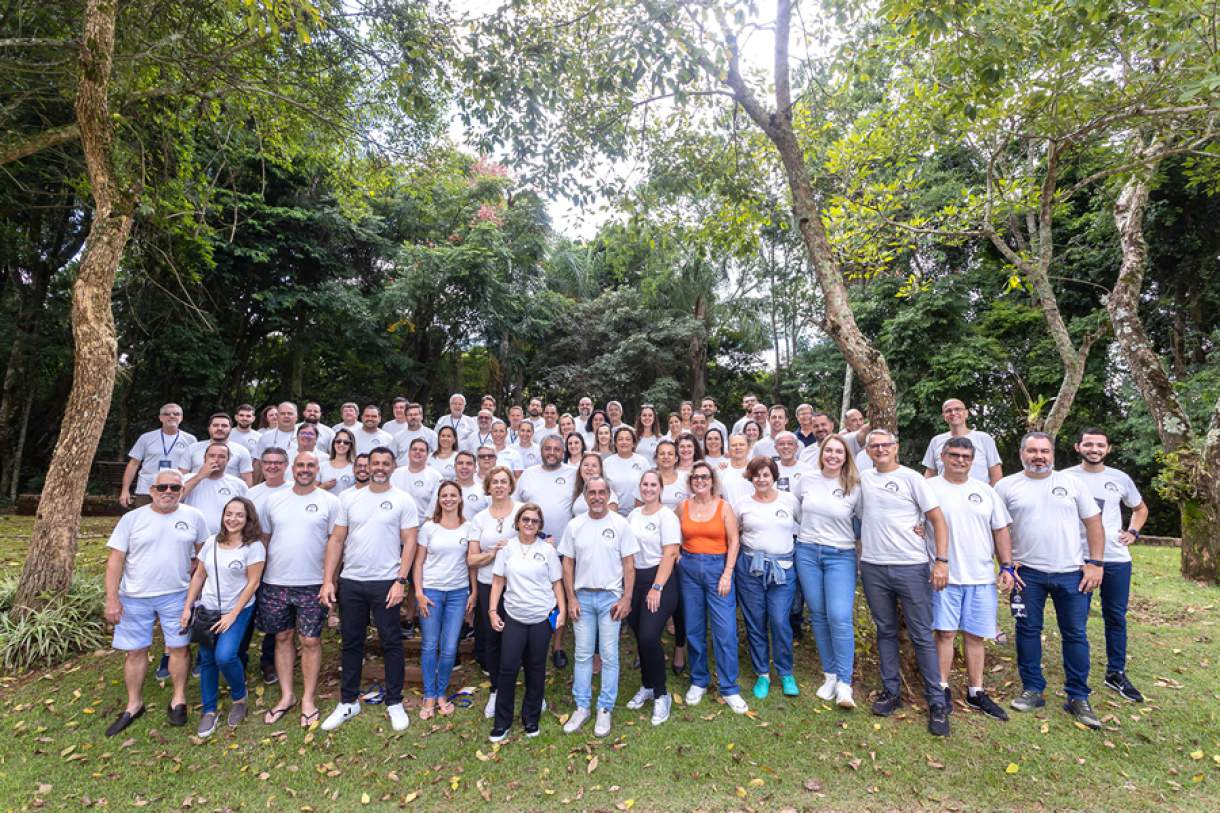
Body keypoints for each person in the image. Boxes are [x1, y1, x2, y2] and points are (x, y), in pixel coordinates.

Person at [996, 431, 1105, 728]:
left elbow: (1094, 523)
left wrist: (1095, 563)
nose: (1038, 456)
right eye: (1032, 451)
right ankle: (1033, 689)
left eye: (1044, 451)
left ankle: (1078, 696)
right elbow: (998, 528)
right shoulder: (1006, 486)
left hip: (1071, 573)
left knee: (1075, 634)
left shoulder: (1072, 484)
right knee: (1027, 630)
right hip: (1026, 574)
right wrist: (1006, 565)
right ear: (1021, 453)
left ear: (1052, 454)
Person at [857, 428, 953, 737]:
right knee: (885, 630)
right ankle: (891, 691)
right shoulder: (863, 479)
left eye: (885, 445)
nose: (880, 449)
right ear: (868, 451)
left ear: (896, 447)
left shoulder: (912, 478)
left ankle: (936, 701)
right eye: (874, 446)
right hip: (873, 565)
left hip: (911, 565)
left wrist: (941, 561)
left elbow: (937, 519)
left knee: (921, 633)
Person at [318, 447, 419, 732]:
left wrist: (401, 581)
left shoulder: (402, 500)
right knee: (351, 642)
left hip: (386, 582)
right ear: (366, 466)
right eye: (375, 463)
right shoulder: (348, 499)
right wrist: (328, 580)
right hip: (352, 581)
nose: (380, 467)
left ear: (393, 467)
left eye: (386, 463)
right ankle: (348, 701)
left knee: (391, 642)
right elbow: (337, 540)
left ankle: (394, 701)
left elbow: (410, 542)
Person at [103, 469, 209, 737]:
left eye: (175, 487)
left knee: (179, 648)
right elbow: (115, 560)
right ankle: (134, 704)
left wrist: (197, 585)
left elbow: (204, 556)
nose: (168, 492)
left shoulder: (194, 517)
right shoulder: (132, 519)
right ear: (152, 490)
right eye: (162, 487)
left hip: (177, 595)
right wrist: (112, 598)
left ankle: (178, 699)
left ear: (182, 490)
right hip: (134, 596)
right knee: (135, 651)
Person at [927, 437, 1015, 721]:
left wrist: (1007, 566)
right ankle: (941, 689)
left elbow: (1000, 530)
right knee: (945, 633)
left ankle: (976, 691)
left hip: (980, 576)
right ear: (943, 456)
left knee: (976, 635)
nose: (960, 460)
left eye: (966, 456)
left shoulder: (985, 491)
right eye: (954, 455)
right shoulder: (929, 488)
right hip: (944, 576)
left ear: (972, 460)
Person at [257, 451, 340, 728]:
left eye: (310, 465)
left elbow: (335, 544)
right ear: (292, 469)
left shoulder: (330, 502)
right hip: (276, 581)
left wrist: (329, 580)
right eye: (300, 465)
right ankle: (287, 695)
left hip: (313, 582)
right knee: (282, 637)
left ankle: (308, 699)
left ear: (318, 469)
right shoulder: (274, 500)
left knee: (310, 641)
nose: (305, 469)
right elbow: (265, 539)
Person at [1067, 427, 1149, 703]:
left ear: (1108, 449)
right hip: (1078, 560)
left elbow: (1140, 508)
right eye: (1088, 444)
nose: (1094, 449)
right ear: (1078, 447)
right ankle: (1077, 677)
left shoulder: (1120, 478)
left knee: (1115, 617)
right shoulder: (1065, 478)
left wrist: (1133, 532)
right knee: (1076, 620)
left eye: (1100, 445)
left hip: (1116, 559)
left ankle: (1116, 673)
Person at [559, 476, 639, 737]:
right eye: (591, 493)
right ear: (585, 496)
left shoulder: (620, 524)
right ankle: (582, 707)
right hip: (582, 598)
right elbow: (567, 564)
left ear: (608, 495)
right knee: (582, 654)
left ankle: (605, 708)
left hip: (610, 600)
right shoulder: (575, 525)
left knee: (609, 655)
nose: (596, 497)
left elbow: (629, 564)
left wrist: (626, 598)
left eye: (601, 492)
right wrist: (571, 598)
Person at [180, 496, 265, 737]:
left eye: (239, 515)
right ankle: (209, 710)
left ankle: (239, 697)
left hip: (237, 609)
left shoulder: (253, 547)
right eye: (229, 513)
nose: (232, 519)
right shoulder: (211, 542)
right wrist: (188, 606)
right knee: (207, 659)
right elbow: (199, 575)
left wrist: (233, 615)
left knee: (225, 656)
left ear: (248, 519)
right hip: (208, 609)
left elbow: (253, 583)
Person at [793, 434, 861, 709]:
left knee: (839, 616)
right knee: (819, 615)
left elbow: (865, 521)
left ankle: (845, 682)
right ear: (821, 454)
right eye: (828, 450)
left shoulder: (854, 485)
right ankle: (830, 675)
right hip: (807, 552)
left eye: (838, 452)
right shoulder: (806, 480)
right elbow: (795, 510)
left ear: (846, 457)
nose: (833, 455)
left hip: (840, 555)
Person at [488, 503, 566, 741]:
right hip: (514, 617)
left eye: (534, 521)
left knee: (536, 668)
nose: (530, 524)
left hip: (541, 618)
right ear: (518, 522)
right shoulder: (507, 549)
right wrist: (492, 611)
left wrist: (562, 611)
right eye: (526, 519)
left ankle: (531, 718)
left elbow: (557, 583)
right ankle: (502, 722)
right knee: (508, 668)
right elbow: (498, 582)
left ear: (540, 525)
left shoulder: (548, 550)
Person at [677, 461, 748, 713]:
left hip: (718, 568)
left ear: (712, 480)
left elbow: (734, 541)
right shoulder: (683, 506)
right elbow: (672, 533)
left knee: (725, 630)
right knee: (694, 628)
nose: (700, 481)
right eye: (695, 477)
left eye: (705, 477)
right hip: (689, 570)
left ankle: (729, 687)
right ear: (690, 481)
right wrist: (677, 555)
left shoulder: (723, 507)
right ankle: (699, 680)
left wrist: (728, 573)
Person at [734, 457, 801, 700]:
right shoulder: (742, 504)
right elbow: (733, 534)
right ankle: (762, 673)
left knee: (780, 620)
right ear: (750, 478)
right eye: (756, 475)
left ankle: (785, 672)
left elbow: (806, 525)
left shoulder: (789, 500)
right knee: (755, 621)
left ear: (774, 476)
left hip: (782, 569)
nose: (761, 479)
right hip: (750, 569)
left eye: (766, 475)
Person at [414, 481, 477, 719]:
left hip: (458, 593)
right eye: (444, 495)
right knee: (430, 645)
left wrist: (473, 592)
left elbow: (471, 563)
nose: (448, 499)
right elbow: (418, 562)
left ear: (460, 498)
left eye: (453, 495)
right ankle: (429, 695)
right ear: (439, 500)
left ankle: (441, 692)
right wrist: (418, 592)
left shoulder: (469, 527)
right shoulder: (429, 527)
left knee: (450, 648)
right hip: (431, 592)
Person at [623, 471, 681, 725]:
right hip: (635, 581)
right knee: (640, 635)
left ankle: (661, 693)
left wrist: (656, 587)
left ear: (660, 488)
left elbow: (670, 553)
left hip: (660, 581)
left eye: (653, 484)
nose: (648, 488)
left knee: (649, 636)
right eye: (644, 484)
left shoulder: (667, 516)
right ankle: (647, 685)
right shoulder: (633, 515)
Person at [466, 466, 523, 718]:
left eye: (503, 481)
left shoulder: (522, 510)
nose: (499, 486)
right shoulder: (480, 519)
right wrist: (492, 554)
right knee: (491, 637)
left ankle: (527, 688)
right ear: (488, 487)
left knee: (519, 636)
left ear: (511, 485)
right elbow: (471, 559)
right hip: (489, 585)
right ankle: (496, 690)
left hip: (518, 585)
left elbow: (535, 540)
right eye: (495, 482)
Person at [120, 403, 197, 507]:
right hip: (147, 489)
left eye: (176, 414)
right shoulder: (146, 438)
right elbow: (133, 464)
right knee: (144, 517)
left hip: (175, 490)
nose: (172, 416)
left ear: (181, 418)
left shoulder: (190, 440)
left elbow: (194, 467)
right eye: (167, 414)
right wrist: (125, 490)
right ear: (160, 418)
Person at [921, 399, 1003, 485]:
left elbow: (996, 473)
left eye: (957, 409)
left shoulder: (984, 439)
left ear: (966, 413)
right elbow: (930, 473)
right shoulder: (936, 441)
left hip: (977, 493)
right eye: (948, 411)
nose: (953, 413)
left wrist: (991, 493)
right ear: (944, 416)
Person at [514, 436, 576, 541]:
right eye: (547, 448)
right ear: (540, 451)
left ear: (563, 452)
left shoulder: (574, 473)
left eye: (557, 449)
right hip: (531, 543)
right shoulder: (528, 474)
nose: (552, 453)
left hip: (565, 544)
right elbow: (515, 505)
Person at [182, 443, 249, 535]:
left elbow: (247, 513)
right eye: (212, 456)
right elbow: (177, 497)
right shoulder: (187, 478)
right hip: (191, 535)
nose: (216, 460)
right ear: (204, 458)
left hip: (224, 537)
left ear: (228, 460)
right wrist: (199, 476)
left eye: (221, 456)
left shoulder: (238, 484)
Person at [188, 412, 254, 486]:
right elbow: (182, 476)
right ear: (209, 428)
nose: (219, 428)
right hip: (196, 491)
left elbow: (247, 481)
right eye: (215, 425)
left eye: (224, 426)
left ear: (230, 429)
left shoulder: (242, 451)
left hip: (227, 492)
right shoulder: (193, 448)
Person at [391, 437, 443, 518]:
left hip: (423, 523)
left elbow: (436, 507)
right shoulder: (395, 474)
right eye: (414, 449)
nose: (417, 452)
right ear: (408, 453)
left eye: (422, 450)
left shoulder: (436, 477)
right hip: (396, 521)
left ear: (427, 455)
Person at [603, 427, 649, 517]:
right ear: (615, 443)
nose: (624, 442)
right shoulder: (606, 463)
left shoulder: (642, 462)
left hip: (639, 514)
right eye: (620, 439)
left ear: (633, 443)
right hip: (613, 515)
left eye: (628, 439)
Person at [256, 402, 300, 467]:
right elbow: (258, 461)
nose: (286, 416)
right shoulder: (266, 436)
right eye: (282, 413)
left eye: (290, 413)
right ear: (278, 417)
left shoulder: (304, 436)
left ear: (296, 417)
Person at [718, 434, 754, 507]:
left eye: (742, 444)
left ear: (748, 447)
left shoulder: (756, 469)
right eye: (734, 445)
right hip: (729, 513)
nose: (738, 448)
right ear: (728, 449)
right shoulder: (721, 471)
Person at [319, 427, 358, 494]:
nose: (341, 444)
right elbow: (313, 492)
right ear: (334, 443)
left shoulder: (355, 467)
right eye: (338, 441)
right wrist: (324, 486)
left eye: (346, 442)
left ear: (351, 446)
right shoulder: (322, 466)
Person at [453, 450, 489, 516]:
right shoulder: (444, 490)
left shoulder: (484, 492)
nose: (464, 467)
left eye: (469, 463)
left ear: (475, 468)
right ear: (455, 467)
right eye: (460, 463)